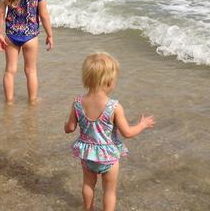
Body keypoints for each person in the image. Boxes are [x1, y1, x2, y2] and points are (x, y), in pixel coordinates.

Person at [64, 52, 155, 211]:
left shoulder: (78, 103)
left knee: (88, 184)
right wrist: (142, 124)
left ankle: (88, 209)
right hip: (108, 157)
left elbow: (70, 128)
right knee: (109, 191)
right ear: (108, 81)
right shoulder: (114, 107)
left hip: (88, 155)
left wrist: (66, 124)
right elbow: (127, 132)